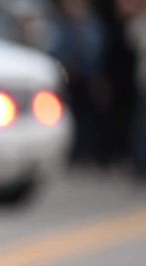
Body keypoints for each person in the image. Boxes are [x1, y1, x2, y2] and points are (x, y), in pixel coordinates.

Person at [51, 0, 110, 166]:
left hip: (90, 78)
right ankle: (74, 152)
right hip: (70, 78)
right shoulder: (63, 27)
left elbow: (96, 52)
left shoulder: (93, 27)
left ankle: (91, 153)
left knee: (91, 118)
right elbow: (57, 50)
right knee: (71, 115)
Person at [125, 0, 146, 176]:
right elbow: (134, 40)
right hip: (143, 83)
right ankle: (140, 164)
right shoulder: (139, 24)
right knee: (141, 126)